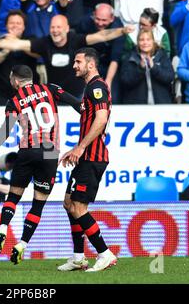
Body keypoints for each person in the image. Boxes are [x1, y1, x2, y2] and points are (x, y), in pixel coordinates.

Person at [0, 65, 82, 265]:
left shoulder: (14, 101)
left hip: (27, 152)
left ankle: (2, 229)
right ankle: (22, 244)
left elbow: (6, 129)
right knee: (38, 203)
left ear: (16, 81)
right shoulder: (50, 89)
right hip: (49, 154)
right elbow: (76, 103)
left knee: (13, 196)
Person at [58, 47, 117, 272]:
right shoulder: (90, 88)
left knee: (79, 207)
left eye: (78, 61)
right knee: (68, 203)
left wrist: (81, 147)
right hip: (85, 156)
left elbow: (101, 119)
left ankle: (105, 254)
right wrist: (75, 149)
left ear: (90, 64)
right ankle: (78, 257)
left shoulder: (98, 87)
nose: (74, 65)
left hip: (93, 157)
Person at [0, 14, 133, 98]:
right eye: (52, 27)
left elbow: (101, 36)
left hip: (78, 95)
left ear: (66, 28)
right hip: (55, 96)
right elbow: (17, 44)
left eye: (59, 27)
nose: (55, 30)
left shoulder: (76, 39)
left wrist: (122, 31)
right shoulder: (44, 43)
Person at [76, 3, 125, 104]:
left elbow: (115, 59)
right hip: (88, 64)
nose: (100, 23)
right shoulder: (84, 23)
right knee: (83, 96)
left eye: (104, 20)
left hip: (109, 66)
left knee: (111, 96)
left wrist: (108, 82)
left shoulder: (118, 27)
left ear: (112, 18)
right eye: (97, 19)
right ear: (93, 14)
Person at [0, 9, 40, 106]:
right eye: (11, 23)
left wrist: (16, 43)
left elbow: (37, 54)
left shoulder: (31, 40)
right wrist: (8, 47)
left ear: (24, 26)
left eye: (18, 23)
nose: (15, 25)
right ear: (6, 25)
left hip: (30, 95)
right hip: (5, 97)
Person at [120, 29, 175, 104]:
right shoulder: (130, 57)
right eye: (141, 40)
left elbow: (170, 77)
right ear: (137, 42)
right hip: (137, 106)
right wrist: (140, 68)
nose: (145, 42)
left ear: (153, 41)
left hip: (161, 104)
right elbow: (126, 81)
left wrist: (154, 67)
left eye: (148, 39)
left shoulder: (162, 55)